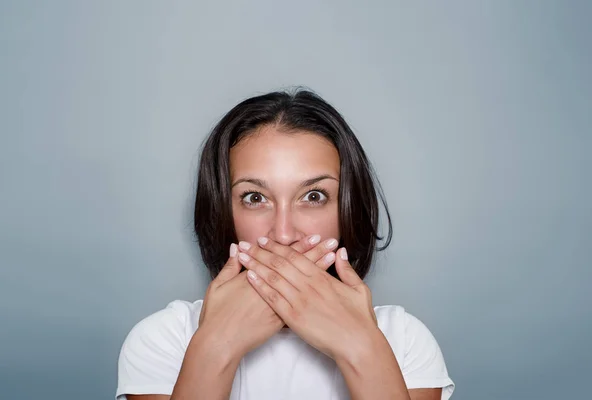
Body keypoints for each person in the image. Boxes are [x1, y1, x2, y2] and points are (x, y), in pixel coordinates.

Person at [116, 89, 455, 400]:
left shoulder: (404, 340)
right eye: (254, 197)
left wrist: (362, 349)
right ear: (222, 211)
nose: (283, 233)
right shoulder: (164, 339)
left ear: (348, 208)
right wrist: (214, 348)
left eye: (313, 196)